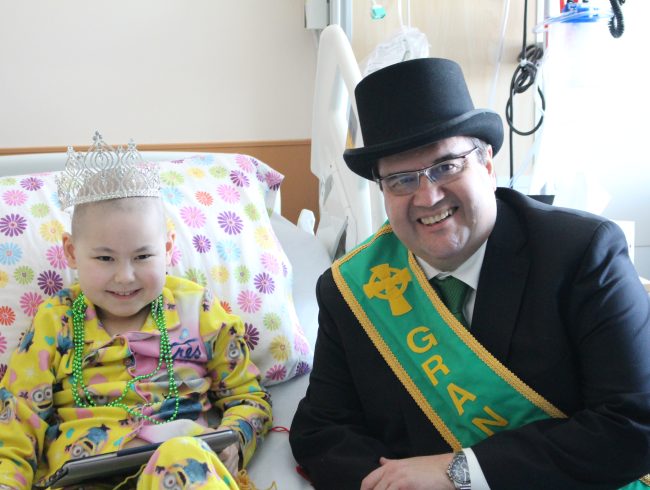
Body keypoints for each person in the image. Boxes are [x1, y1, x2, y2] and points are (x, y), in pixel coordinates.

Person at [289, 57, 650, 489]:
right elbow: (321, 430)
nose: (428, 196)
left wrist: (459, 473)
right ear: (383, 191)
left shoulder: (582, 254)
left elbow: (634, 425)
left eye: (446, 166)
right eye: (402, 180)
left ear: (488, 164)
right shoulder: (350, 290)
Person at [0, 138, 272, 490]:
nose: (125, 276)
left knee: (181, 456)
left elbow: (250, 397)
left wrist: (235, 437)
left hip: (180, 472)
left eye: (143, 257)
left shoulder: (199, 310)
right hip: (81, 478)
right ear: (70, 252)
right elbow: (16, 422)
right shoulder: (56, 321)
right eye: (104, 258)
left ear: (168, 248)